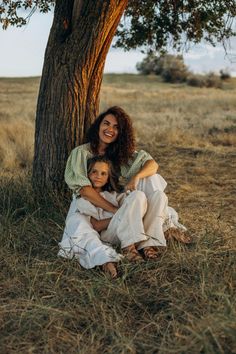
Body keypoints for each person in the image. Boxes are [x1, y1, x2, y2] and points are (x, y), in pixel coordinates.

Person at [58, 106, 188, 274]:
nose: (110, 129)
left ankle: (150, 241)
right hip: (99, 207)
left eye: (116, 127)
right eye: (106, 124)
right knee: (131, 202)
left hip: (120, 206)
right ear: (98, 125)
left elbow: (152, 164)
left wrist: (136, 177)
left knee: (151, 180)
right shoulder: (81, 153)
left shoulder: (121, 154)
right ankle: (132, 243)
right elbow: (84, 191)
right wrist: (117, 211)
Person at [77, 155, 151, 262]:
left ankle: (140, 244)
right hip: (108, 235)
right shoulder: (84, 198)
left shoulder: (112, 194)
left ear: (108, 178)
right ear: (87, 174)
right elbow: (96, 225)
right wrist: (124, 215)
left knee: (138, 195)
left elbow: (132, 207)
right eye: (94, 172)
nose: (98, 176)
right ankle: (128, 248)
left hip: (124, 229)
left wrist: (126, 213)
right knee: (131, 208)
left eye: (103, 173)